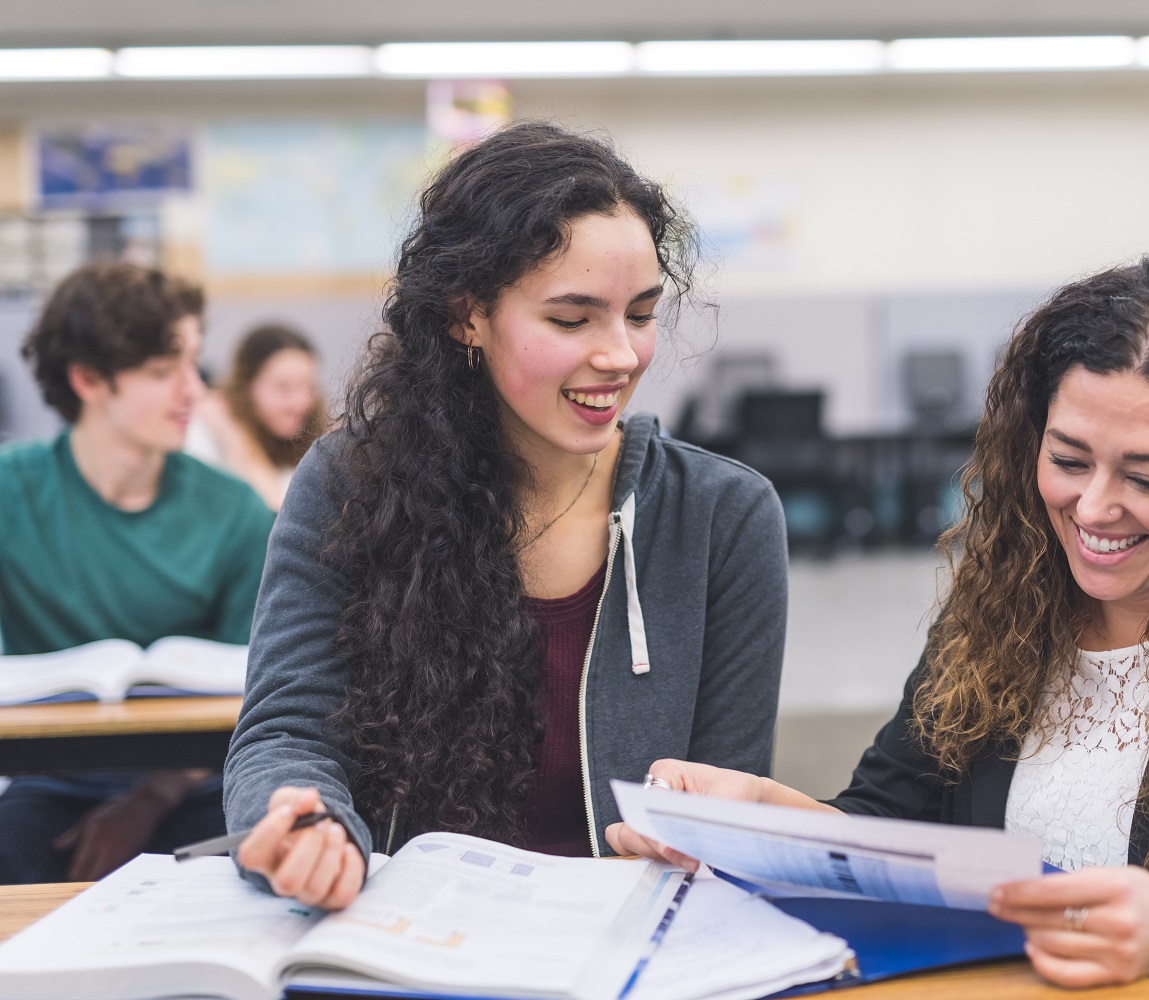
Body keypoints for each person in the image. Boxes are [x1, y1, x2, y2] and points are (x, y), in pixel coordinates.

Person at [611, 259, 1149, 1000]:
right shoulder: (1012, 600)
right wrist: (759, 815)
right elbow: (888, 826)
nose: (1093, 509)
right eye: (1069, 460)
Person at [223, 121, 788, 908]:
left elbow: (732, 802)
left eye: (641, 313)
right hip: (406, 937)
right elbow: (287, 733)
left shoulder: (724, 517)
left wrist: (701, 833)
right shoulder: (352, 480)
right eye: (572, 318)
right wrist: (303, 822)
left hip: (627, 947)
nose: (621, 355)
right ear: (467, 316)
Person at [0, 263, 275, 884]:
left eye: (193, 365)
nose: (193, 393)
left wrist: (146, 802)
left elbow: (262, 700)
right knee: (18, 855)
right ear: (88, 379)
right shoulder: (11, 495)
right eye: (162, 372)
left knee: (233, 877)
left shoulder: (234, 511)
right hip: (51, 780)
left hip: (196, 781)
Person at [188, 323, 328, 511]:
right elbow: (278, 512)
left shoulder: (318, 439)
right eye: (282, 387)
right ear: (246, 387)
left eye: (307, 386)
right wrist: (232, 432)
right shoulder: (206, 434)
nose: (299, 403)